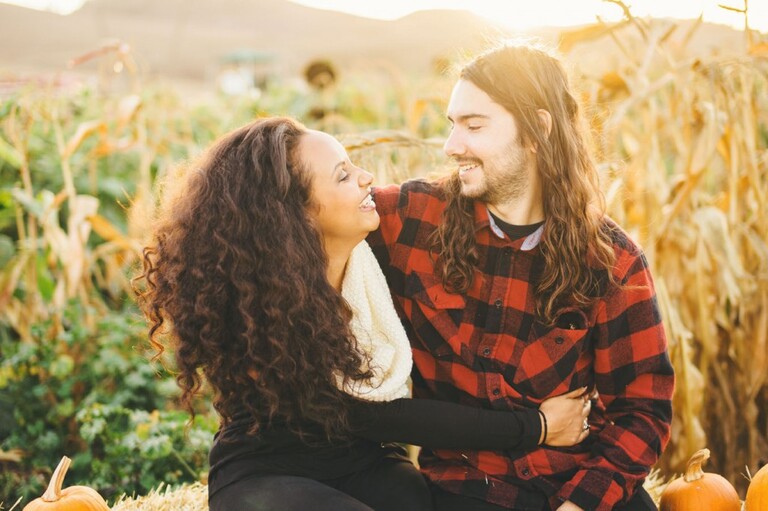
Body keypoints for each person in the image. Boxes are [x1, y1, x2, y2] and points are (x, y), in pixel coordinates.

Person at [133, 116, 593, 511]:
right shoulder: (259, 305)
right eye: (343, 175)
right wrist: (535, 427)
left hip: (365, 461)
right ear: (294, 213)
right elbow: (375, 416)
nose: (366, 176)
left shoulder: (374, 265)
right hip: (267, 474)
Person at [367, 43, 675, 511]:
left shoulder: (611, 261)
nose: (452, 145)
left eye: (474, 126)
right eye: (452, 124)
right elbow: (306, 211)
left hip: (575, 487)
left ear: (537, 131)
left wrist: (580, 505)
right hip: (468, 489)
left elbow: (642, 411)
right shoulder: (410, 218)